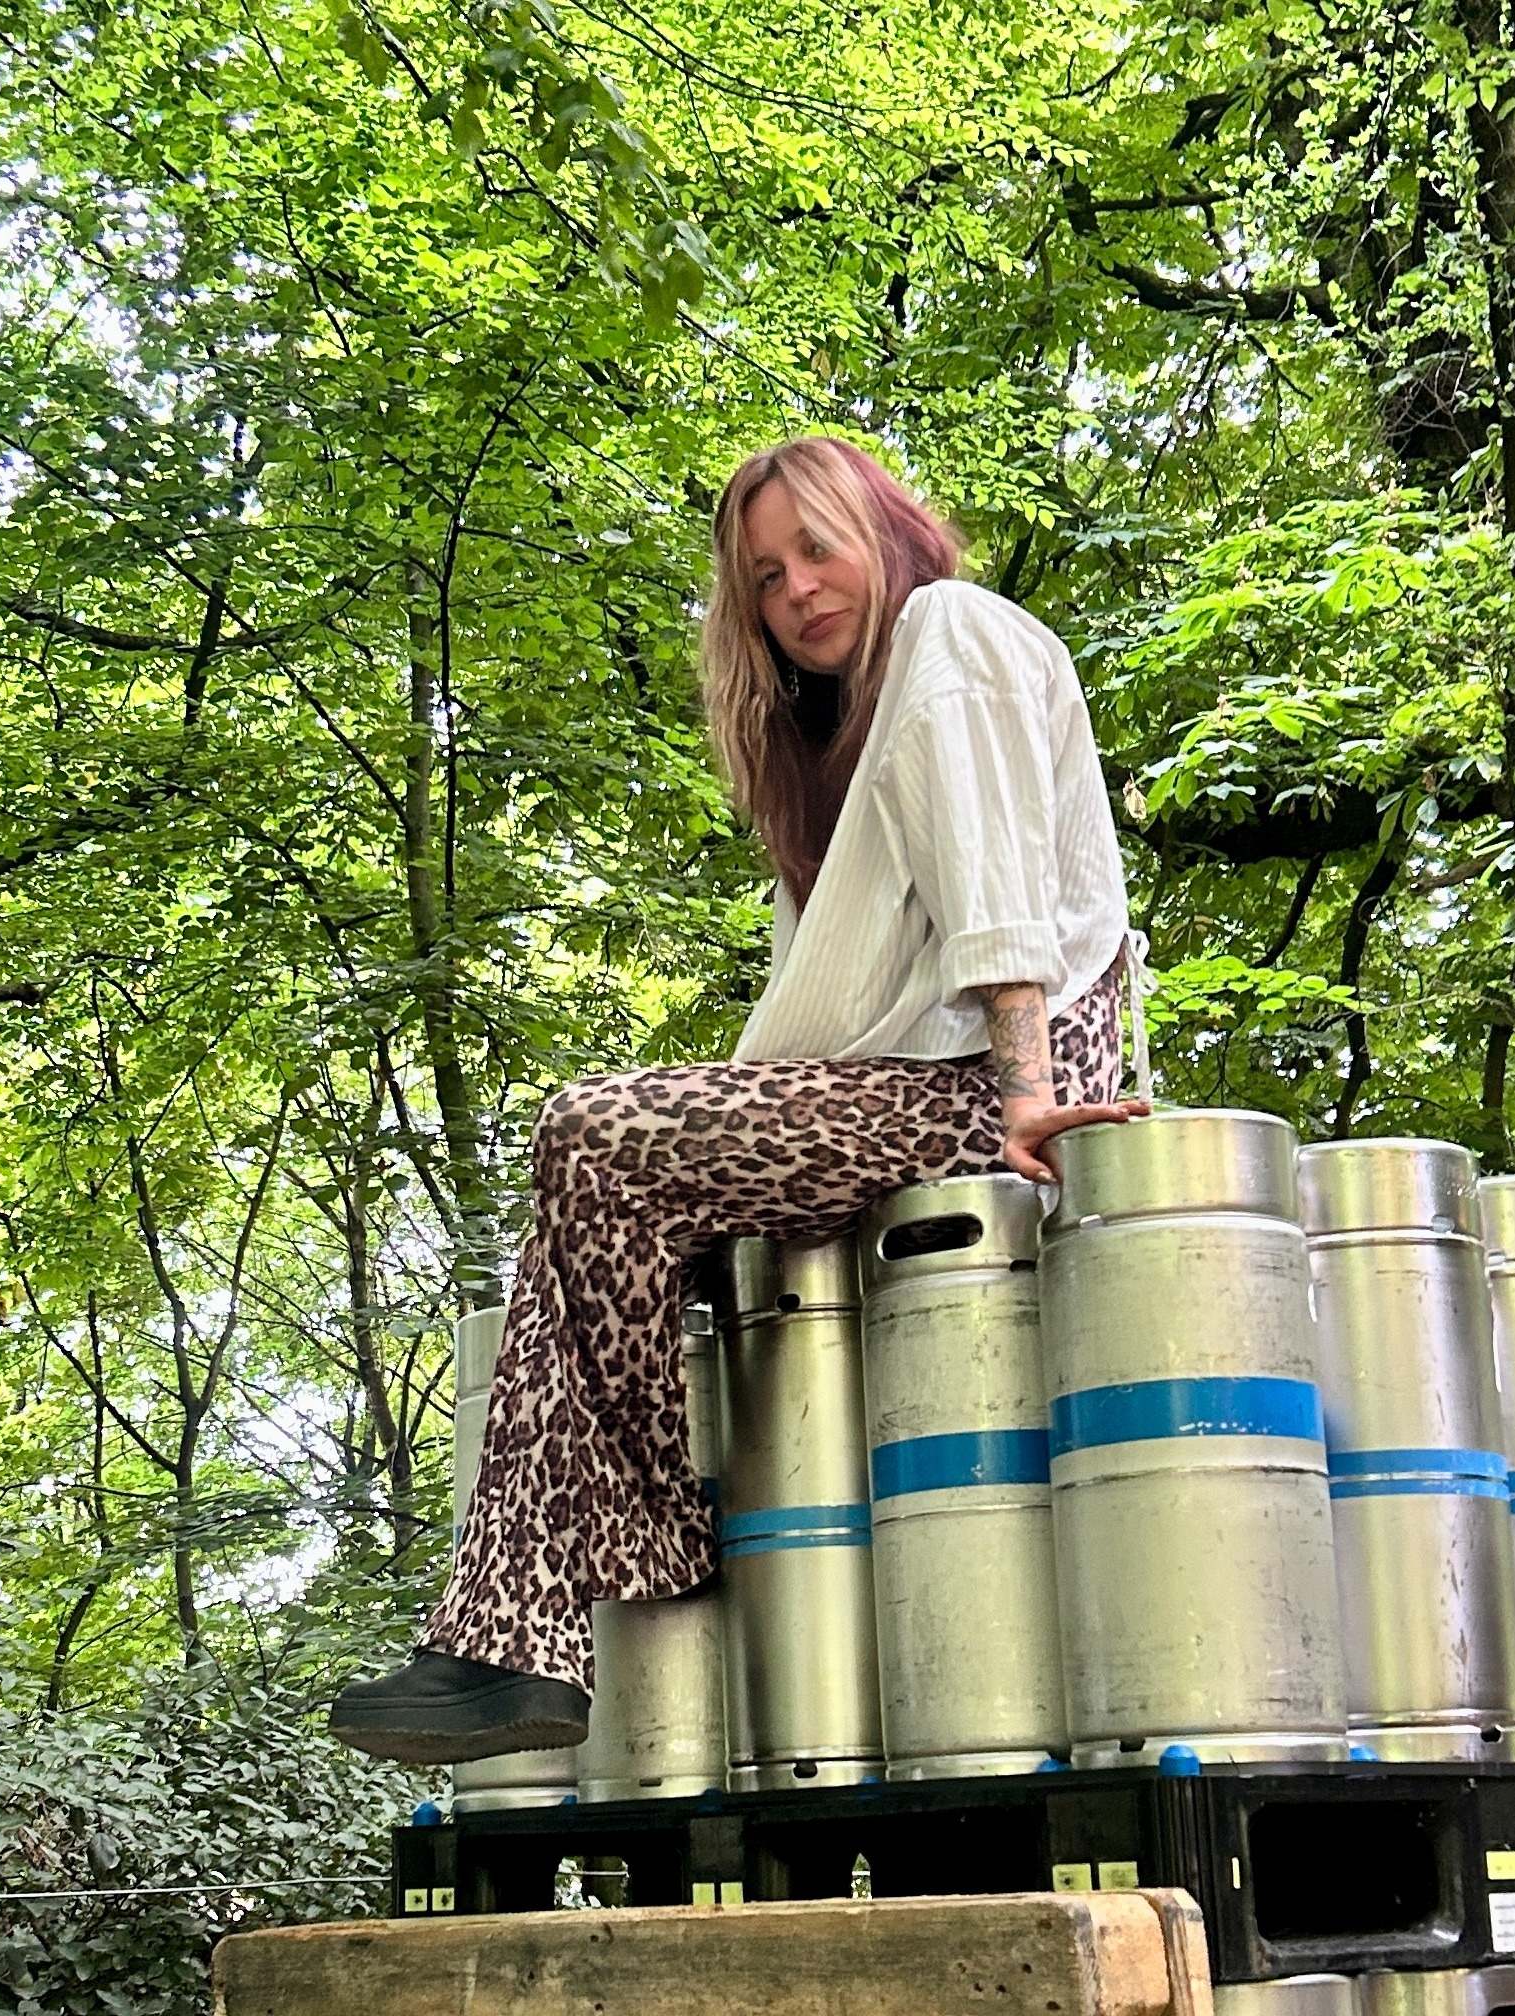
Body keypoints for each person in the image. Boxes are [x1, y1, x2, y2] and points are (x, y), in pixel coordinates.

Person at [330, 436, 1144, 1765]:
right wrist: (712, 1137)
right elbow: (819, 1019)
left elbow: (1006, 897)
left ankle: (621, 1554)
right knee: (578, 1210)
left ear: (888, 533)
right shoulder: (827, 755)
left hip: (996, 1088)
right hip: (897, 1092)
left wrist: (1026, 1089)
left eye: (818, 548)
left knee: (593, 1132)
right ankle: (507, 1640)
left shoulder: (953, 630)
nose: (797, 589)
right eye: (765, 576)